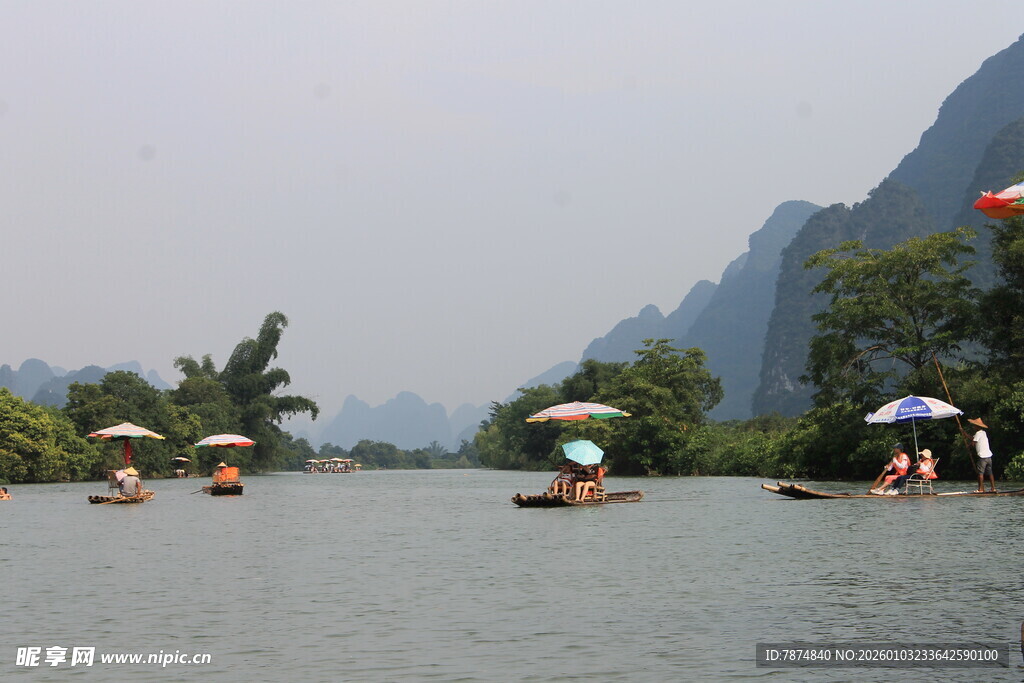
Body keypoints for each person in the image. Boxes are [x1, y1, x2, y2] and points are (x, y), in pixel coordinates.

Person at [970, 417, 996, 493]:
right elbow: (973, 439)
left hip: (983, 457)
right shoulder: (983, 433)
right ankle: (993, 488)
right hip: (989, 456)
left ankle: (981, 489)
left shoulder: (978, 433)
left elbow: (973, 443)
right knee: (990, 473)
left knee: (980, 473)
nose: (973, 427)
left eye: (974, 426)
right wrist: (965, 434)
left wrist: (969, 445)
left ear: (977, 426)